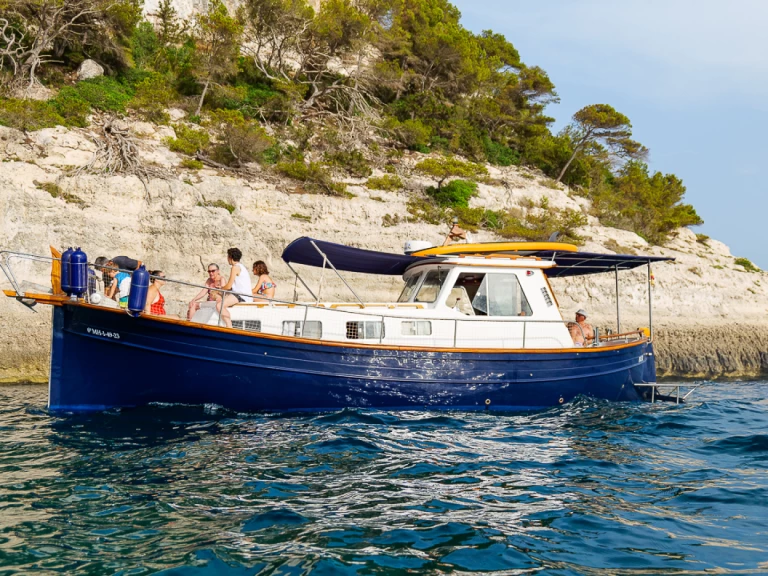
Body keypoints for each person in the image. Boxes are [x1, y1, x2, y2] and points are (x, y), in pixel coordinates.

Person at [217, 248, 252, 328]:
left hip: (241, 295)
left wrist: (220, 290)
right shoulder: (242, 267)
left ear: (230, 257)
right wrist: (222, 288)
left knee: (219, 306)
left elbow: (229, 285)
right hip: (243, 295)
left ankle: (229, 326)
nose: (227, 259)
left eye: (227, 256)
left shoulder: (235, 267)